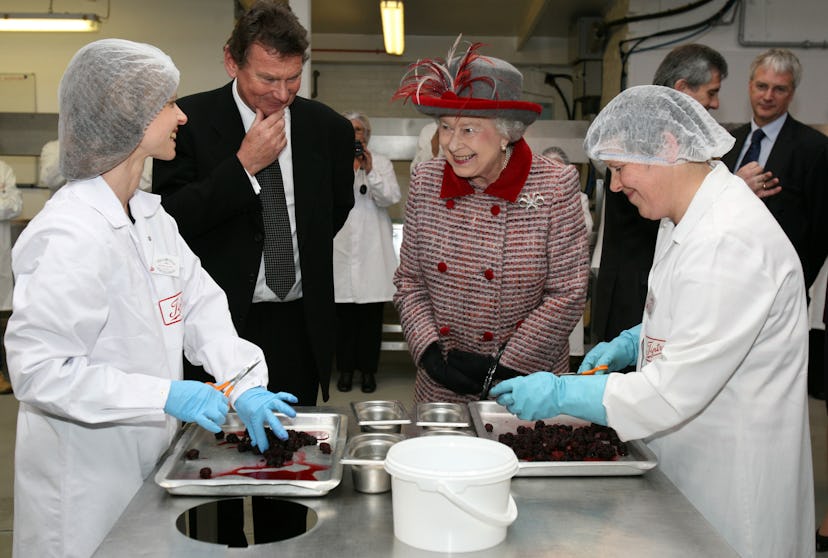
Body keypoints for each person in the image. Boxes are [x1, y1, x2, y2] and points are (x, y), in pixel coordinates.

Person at [5, 38, 298, 558]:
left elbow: (202, 309)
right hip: (84, 481)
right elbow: (40, 371)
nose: (180, 116)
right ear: (127, 118)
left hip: (151, 458)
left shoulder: (149, 215)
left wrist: (244, 381)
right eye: (167, 103)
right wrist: (163, 394)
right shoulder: (70, 233)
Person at [491, 85, 813, 558]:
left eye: (619, 168)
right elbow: (707, 316)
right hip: (688, 450)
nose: (616, 186)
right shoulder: (683, 217)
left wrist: (563, 393)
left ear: (666, 145)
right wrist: (635, 338)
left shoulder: (730, 239)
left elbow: (669, 391)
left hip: (732, 472)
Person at [152, 0, 354, 406]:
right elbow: (171, 220)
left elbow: (334, 211)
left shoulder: (329, 129)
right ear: (232, 62)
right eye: (267, 78)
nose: (282, 94)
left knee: (293, 443)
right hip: (217, 323)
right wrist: (243, 167)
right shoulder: (186, 121)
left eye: (292, 78)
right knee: (213, 447)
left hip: (299, 319)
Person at [391, 36, 590, 404]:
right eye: (446, 126)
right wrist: (429, 352)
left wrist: (505, 366)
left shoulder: (554, 185)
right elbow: (410, 282)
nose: (451, 143)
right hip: (442, 385)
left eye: (468, 129)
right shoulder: (426, 181)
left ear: (506, 132)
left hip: (525, 385)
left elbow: (567, 293)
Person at [591, 43, 730, 346]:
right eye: (710, 92)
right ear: (682, 87)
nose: (716, 103)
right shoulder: (642, 128)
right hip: (634, 289)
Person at [721, 48, 828, 291]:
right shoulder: (726, 144)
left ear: (792, 94)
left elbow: (821, 231)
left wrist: (795, 284)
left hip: (780, 285)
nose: (768, 96)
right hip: (724, 279)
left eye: (779, 89)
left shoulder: (814, 149)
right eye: (761, 86)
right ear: (749, 86)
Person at [333, 111, 401, 393]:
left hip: (372, 253)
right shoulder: (332, 161)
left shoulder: (381, 163)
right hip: (341, 249)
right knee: (344, 320)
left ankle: (368, 372)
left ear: (367, 135)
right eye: (350, 129)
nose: (356, 134)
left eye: (360, 129)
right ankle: (346, 371)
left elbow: (391, 197)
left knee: (370, 321)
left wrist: (370, 170)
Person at [0, 160, 22, 395]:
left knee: (2, 316)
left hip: (1, 257)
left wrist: (6, 199)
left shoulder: (3, 168)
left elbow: (14, 206)